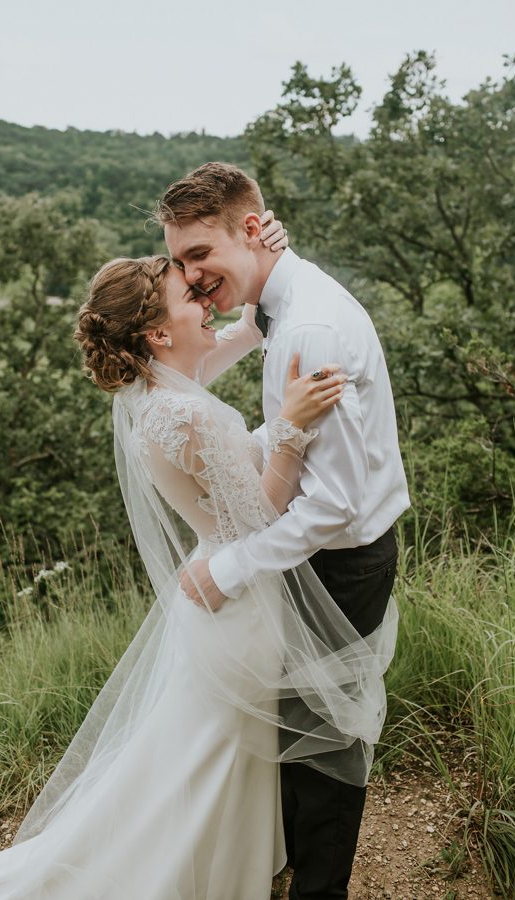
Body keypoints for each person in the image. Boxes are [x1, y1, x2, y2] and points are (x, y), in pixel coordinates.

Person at [0, 219, 397, 899]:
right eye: (190, 297)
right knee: (216, 754)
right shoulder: (190, 416)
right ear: (157, 333)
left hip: (216, 596)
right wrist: (292, 430)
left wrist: (260, 262)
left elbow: (237, 339)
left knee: (200, 749)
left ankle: (232, 861)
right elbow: (264, 515)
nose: (204, 301)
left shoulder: (153, 396)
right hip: (238, 600)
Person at [156, 162, 410, 900]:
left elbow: (331, 507)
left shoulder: (311, 326)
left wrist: (229, 570)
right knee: (293, 730)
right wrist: (282, 431)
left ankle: (316, 889)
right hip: (304, 556)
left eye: (200, 254)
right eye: (179, 263)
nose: (191, 275)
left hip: (341, 561)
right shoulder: (279, 306)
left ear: (250, 228)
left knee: (325, 744)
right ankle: (282, 868)